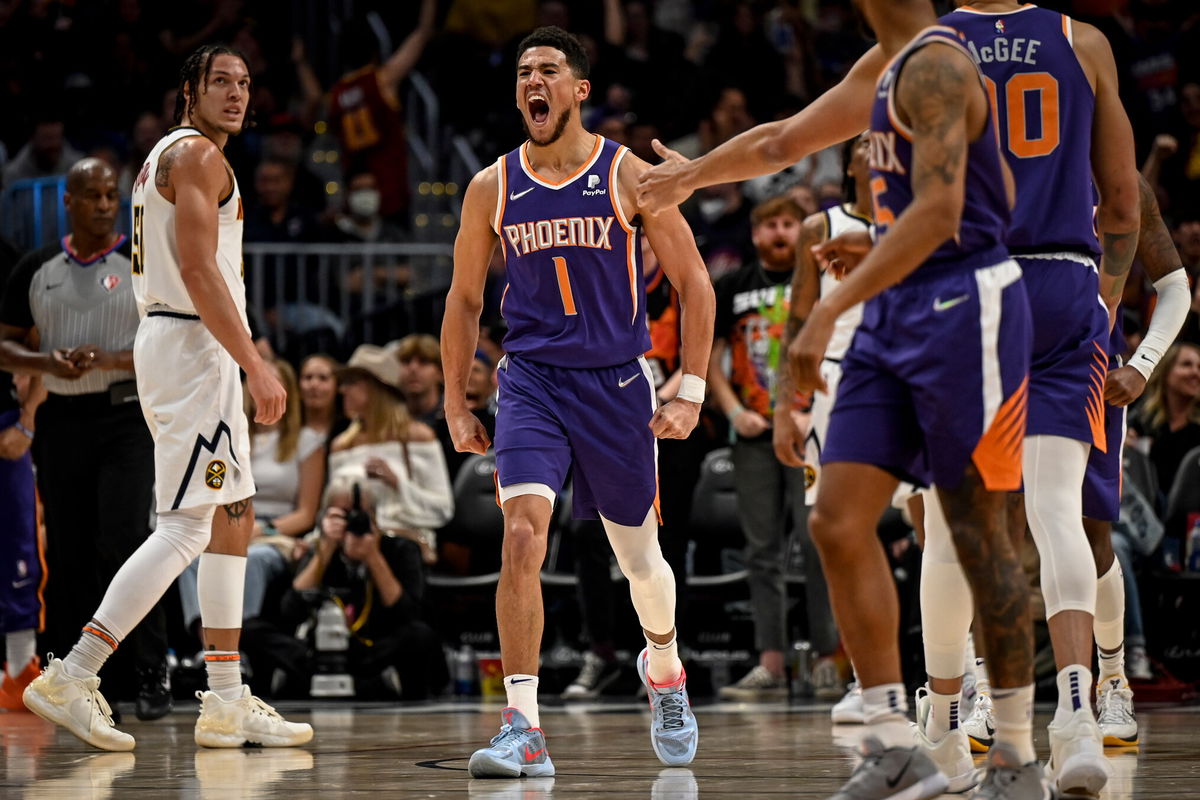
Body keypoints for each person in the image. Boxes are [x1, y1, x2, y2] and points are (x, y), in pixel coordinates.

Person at [788, 1, 1048, 796]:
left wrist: (829, 305)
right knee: (835, 518)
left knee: (975, 532)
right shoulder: (886, 66)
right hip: (897, 306)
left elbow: (943, 212)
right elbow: (981, 189)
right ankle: (894, 740)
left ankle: (1013, 754)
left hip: (967, 307)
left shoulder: (938, 62)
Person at [20, 45, 312, 751]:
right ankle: (74, 673)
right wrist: (255, 365)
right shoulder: (200, 158)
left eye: (245, 83)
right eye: (221, 82)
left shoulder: (167, 155)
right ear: (190, 91)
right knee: (186, 525)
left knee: (233, 513)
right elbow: (198, 270)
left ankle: (225, 697)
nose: (237, 94)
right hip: (191, 348)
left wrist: (244, 354)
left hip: (188, 343)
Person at [442, 26, 714, 778]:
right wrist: (456, 401)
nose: (535, 81)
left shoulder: (627, 174)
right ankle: (522, 724)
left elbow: (695, 285)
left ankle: (665, 669)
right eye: (525, 71)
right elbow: (465, 300)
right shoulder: (491, 185)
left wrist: (689, 389)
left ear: (579, 89)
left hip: (618, 383)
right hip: (530, 379)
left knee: (641, 563)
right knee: (523, 537)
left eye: (550, 70)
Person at [902, 4, 1141, 796]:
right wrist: (1101, 301)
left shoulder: (930, 43)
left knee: (949, 526)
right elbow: (1124, 204)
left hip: (971, 283)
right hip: (1064, 282)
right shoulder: (1085, 41)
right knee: (1056, 511)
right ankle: (1077, 718)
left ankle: (941, 728)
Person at [0, 157, 172, 721]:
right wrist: (43, 361)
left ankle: (151, 674)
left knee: (127, 541)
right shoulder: (36, 267)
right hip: (61, 421)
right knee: (68, 550)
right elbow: (4, 347)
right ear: (69, 202)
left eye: (110, 194)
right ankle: (69, 679)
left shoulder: (145, 264)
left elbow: (167, 341)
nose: (104, 203)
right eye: (92, 195)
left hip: (127, 419)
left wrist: (112, 359)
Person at [708, 195, 834, 702]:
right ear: (756, 234)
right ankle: (771, 662)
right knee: (760, 552)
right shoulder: (733, 286)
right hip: (752, 435)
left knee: (816, 542)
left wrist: (813, 411)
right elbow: (712, 361)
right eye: (770, 226)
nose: (780, 233)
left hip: (810, 431)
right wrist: (733, 411)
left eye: (788, 224)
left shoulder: (819, 282)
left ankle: (828, 659)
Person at [773, 133, 876, 719]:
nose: (873, 147)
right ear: (849, 160)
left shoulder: (924, 213)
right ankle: (864, 675)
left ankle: (962, 675)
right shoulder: (820, 225)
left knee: (929, 528)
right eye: (861, 141)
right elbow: (795, 320)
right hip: (835, 382)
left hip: (904, 370)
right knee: (837, 534)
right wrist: (788, 406)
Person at [177, 358, 325, 638]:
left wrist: (261, 530)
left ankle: (243, 644)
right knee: (191, 558)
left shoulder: (306, 441)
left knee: (253, 559)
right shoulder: (231, 437)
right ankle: (205, 646)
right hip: (230, 523)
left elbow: (306, 513)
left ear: (287, 392)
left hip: (274, 532)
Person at [283, 477, 449, 700]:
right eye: (342, 514)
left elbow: (408, 613)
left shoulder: (401, 548)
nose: (351, 521)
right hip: (326, 652)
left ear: (374, 515)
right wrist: (326, 548)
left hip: (378, 646)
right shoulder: (321, 549)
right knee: (256, 631)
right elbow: (290, 610)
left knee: (419, 635)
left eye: (358, 513)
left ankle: (395, 687)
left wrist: (372, 556)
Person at [330, 344, 454, 567]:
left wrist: (397, 482)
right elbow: (328, 511)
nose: (342, 390)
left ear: (377, 389)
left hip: (401, 544)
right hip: (348, 545)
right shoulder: (341, 445)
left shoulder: (418, 438)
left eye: (352, 383)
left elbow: (443, 510)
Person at [328, 0, 436, 221]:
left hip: (355, 189)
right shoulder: (381, 81)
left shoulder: (335, 96)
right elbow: (422, 33)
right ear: (375, 51)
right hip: (390, 187)